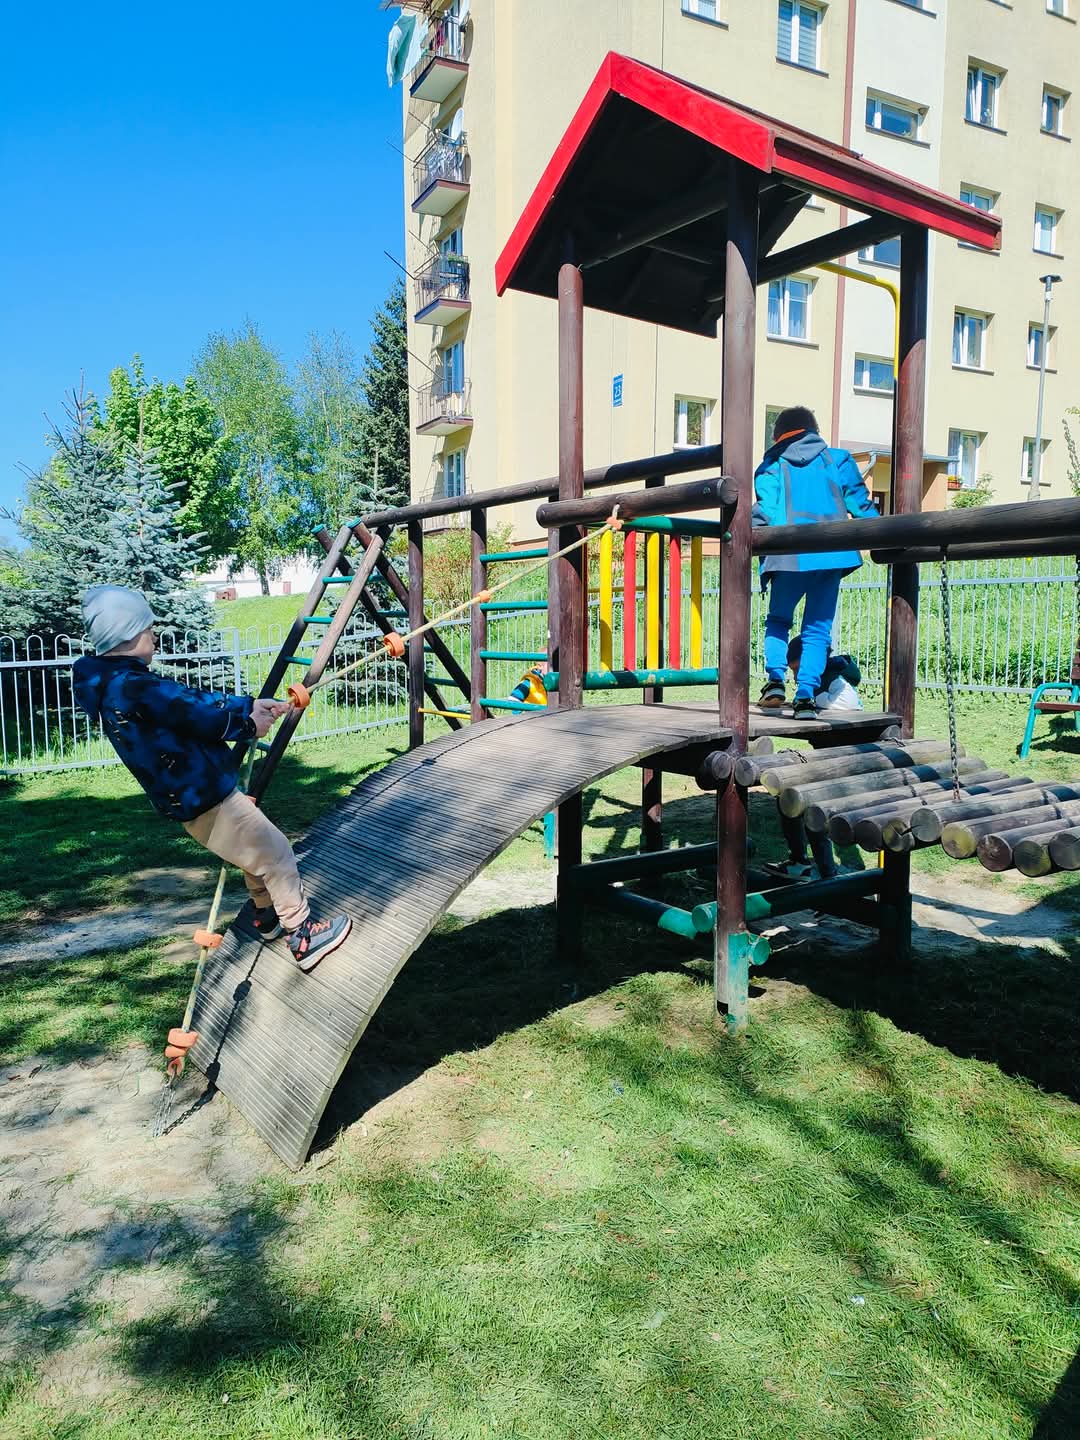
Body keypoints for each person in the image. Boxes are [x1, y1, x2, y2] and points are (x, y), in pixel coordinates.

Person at [71, 585, 352, 972]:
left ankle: (267, 916)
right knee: (276, 853)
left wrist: (247, 705)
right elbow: (192, 712)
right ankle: (303, 935)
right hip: (203, 793)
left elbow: (187, 703)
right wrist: (247, 724)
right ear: (128, 633)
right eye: (149, 628)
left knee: (254, 852)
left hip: (190, 795)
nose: (154, 636)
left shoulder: (118, 685)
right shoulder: (133, 687)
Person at [751, 407, 878, 719]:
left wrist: (745, 538)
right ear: (814, 431)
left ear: (777, 436)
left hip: (787, 556)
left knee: (779, 621)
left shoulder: (772, 465)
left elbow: (763, 513)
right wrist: (889, 534)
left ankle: (775, 681)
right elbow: (860, 505)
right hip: (830, 555)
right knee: (818, 629)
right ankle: (806, 695)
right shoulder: (838, 459)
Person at [786, 637, 863, 712]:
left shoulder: (833, 677)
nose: (795, 677)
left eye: (798, 669)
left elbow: (849, 703)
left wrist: (813, 700)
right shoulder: (819, 677)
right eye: (793, 670)